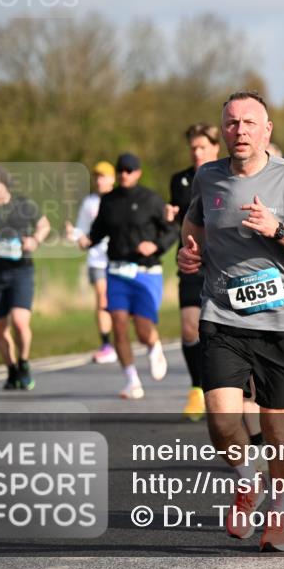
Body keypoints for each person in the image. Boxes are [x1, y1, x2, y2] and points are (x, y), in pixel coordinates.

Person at [177, 90, 284, 552]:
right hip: (221, 313)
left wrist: (278, 230)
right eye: (231, 123)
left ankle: (281, 513)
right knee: (222, 418)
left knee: (277, 424)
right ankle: (248, 479)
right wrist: (188, 254)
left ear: (267, 130)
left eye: (249, 123)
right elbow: (193, 225)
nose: (239, 130)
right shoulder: (208, 178)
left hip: (280, 317)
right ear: (222, 130)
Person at [84, 152, 177, 399]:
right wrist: (87, 241)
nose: (124, 174)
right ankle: (132, 381)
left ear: (137, 173)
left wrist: (155, 246)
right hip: (116, 271)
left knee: (144, 328)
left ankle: (154, 346)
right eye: (121, 170)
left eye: (129, 170)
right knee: (119, 325)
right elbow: (98, 232)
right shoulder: (109, 201)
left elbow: (171, 230)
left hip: (146, 271)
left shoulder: (150, 199)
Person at [0, 166, 51, 390]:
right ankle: (12, 370)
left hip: (21, 270)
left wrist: (35, 240)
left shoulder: (24, 205)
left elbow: (44, 225)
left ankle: (23, 363)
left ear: (6, 186)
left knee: (20, 322)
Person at [167, 123, 222, 420]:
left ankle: (227, 388)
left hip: (223, 263)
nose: (197, 152)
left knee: (219, 331)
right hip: (191, 262)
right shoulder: (179, 180)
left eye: (203, 147)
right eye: (193, 148)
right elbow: (177, 218)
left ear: (215, 147)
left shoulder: (226, 176)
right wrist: (169, 217)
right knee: (190, 327)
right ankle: (196, 388)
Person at [66, 161, 117, 364]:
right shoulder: (89, 203)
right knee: (102, 298)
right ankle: (106, 344)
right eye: (96, 176)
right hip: (97, 258)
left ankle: (119, 336)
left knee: (118, 303)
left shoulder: (118, 200)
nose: (99, 180)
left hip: (118, 258)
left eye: (103, 176)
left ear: (112, 178)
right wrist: (74, 235)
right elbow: (81, 230)